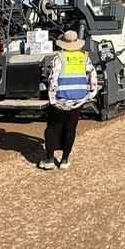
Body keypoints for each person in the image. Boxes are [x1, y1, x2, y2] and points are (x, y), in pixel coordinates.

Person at [40, 31, 97, 170]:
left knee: (52, 128)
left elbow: (53, 79)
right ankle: (64, 160)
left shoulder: (59, 57)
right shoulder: (84, 57)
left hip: (60, 100)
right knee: (70, 129)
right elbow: (92, 74)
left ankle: (49, 159)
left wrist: (52, 98)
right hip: (78, 100)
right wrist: (92, 92)